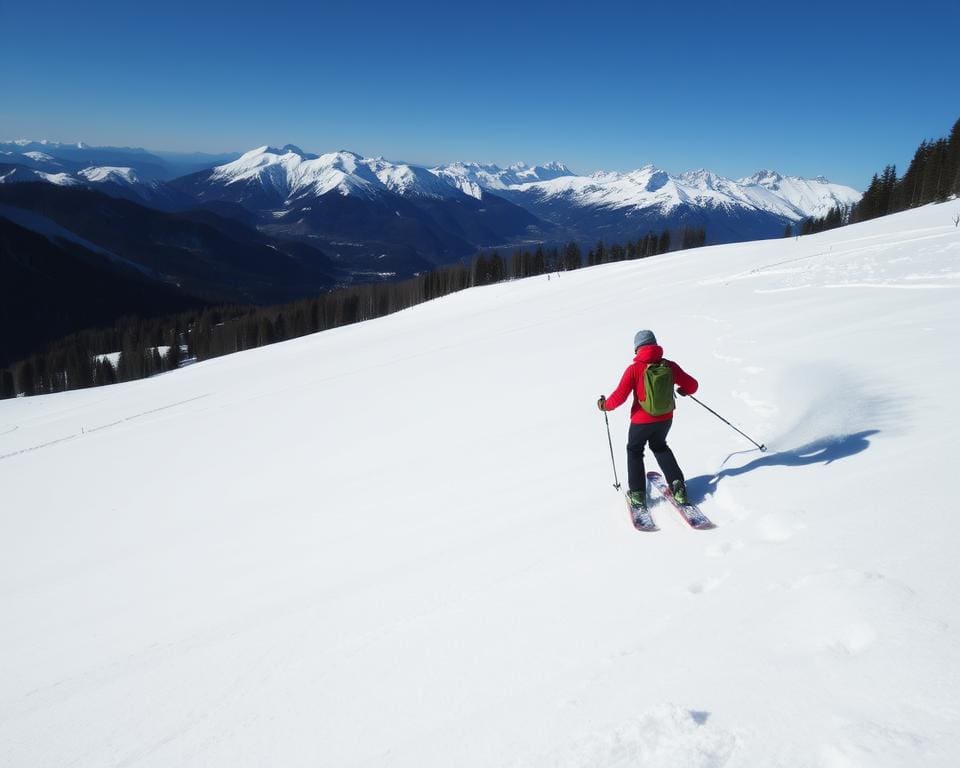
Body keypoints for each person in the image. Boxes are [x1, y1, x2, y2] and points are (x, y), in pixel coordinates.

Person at [597, 329, 698, 509]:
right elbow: (692, 385)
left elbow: (619, 396)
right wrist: (683, 391)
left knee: (634, 451)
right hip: (665, 418)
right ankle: (678, 488)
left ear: (637, 348)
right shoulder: (669, 365)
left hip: (641, 421)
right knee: (659, 446)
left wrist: (605, 406)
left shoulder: (635, 369)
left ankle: (637, 495)